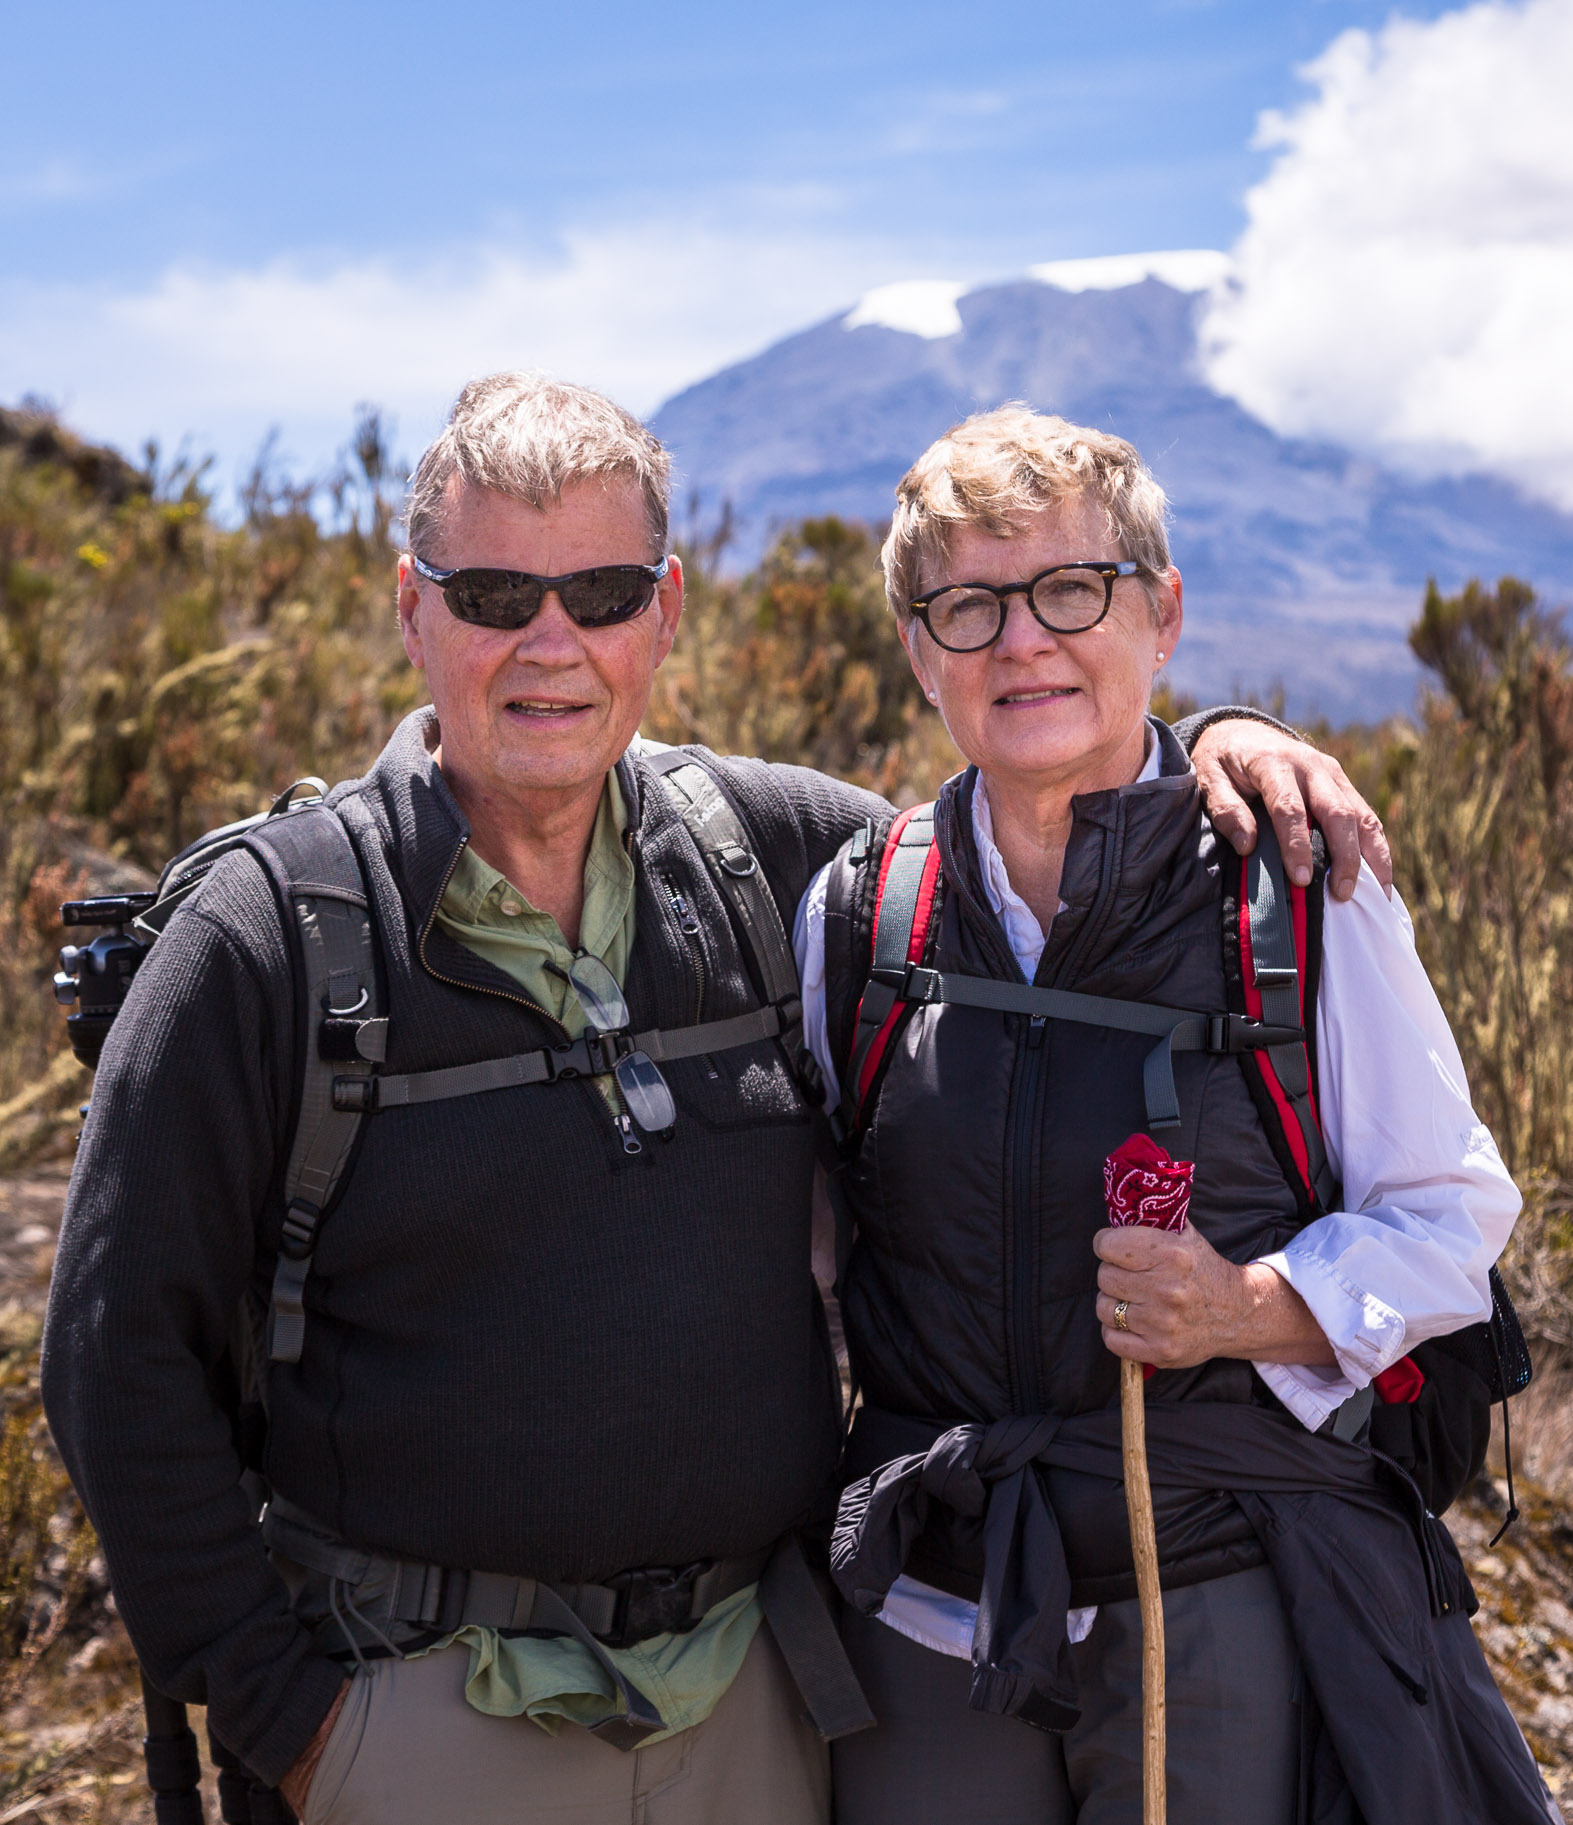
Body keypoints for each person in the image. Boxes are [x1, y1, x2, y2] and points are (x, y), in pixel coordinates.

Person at [39, 373, 1387, 1825]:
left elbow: (1038, 816)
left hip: (758, 1709)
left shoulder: (779, 856)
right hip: (414, 1712)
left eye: (602, 589)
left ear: (665, 612)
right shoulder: (271, 936)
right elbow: (115, 1360)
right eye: (493, 592)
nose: (550, 641)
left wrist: (1223, 752)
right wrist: (292, 1722)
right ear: (411, 608)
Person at [810, 406, 1558, 1823]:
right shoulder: (860, 912)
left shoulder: (1302, 886)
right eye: (967, 606)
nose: (1022, 642)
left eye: (1069, 591)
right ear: (918, 651)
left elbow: (1452, 1220)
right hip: (929, 1603)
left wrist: (1247, 1305)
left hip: (1214, 1585)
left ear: (1161, 612)